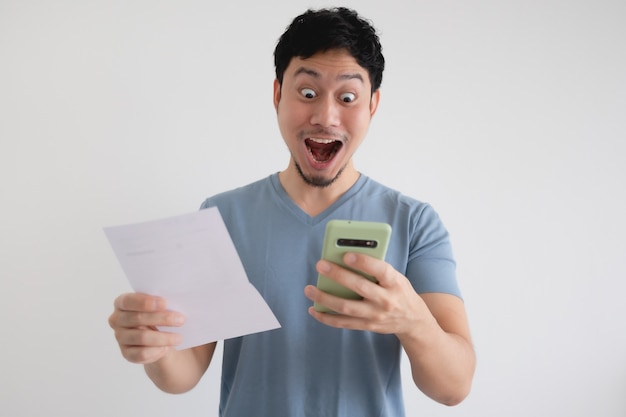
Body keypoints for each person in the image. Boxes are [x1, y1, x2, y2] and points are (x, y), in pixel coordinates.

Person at [108, 7, 475, 416]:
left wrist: (414, 322)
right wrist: (152, 346)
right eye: (307, 92)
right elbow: (185, 372)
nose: (325, 116)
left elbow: (453, 387)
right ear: (277, 94)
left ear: (372, 105)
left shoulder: (415, 222)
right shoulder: (221, 216)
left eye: (348, 97)